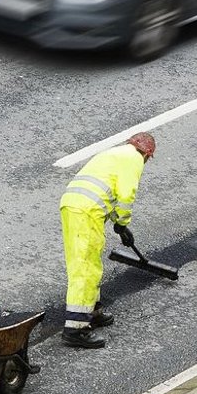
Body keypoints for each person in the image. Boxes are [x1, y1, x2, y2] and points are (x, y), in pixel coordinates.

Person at [59, 132, 156, 348]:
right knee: (84, 268)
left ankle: (92, 312)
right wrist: (122, 223)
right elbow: (126, 194)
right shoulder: (134, 159)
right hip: (85, 211)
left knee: (90, 264)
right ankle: (75, 329)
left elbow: (105, 191)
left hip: (75, 206)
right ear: (147, 153)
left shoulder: (116, 154)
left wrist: (120, 226)